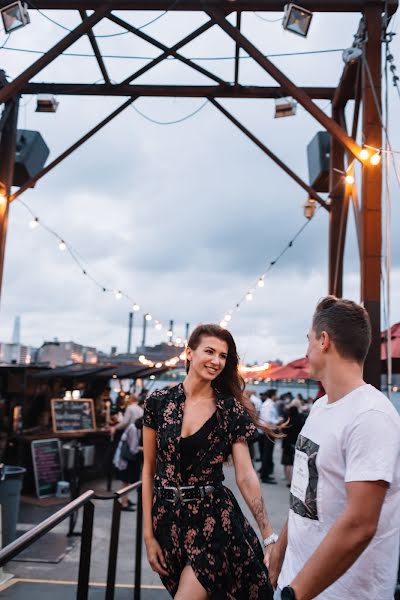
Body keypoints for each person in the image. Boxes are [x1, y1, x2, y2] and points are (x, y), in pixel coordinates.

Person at [269, 296, 400, 600]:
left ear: (324, 341)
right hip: (292, 581)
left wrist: (295, 594)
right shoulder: (319, 408)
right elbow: (304, 496)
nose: (306, 350)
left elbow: (360, 525)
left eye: (309, 340)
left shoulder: (371, 416)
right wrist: (279, 556)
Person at [143, 324, 277, 599]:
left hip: (213, 520)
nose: (216, 361)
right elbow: (148, 470)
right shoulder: (158, 402)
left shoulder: (230, 410)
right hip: (167, 522)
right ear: (189, 353)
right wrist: (148, 535)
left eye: (223, 356)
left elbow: (246, 475)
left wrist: (269, 535)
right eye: (210, 351)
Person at [113, 420, 143, 510]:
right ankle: (124, 503)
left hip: (125, 459)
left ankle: (125, 500)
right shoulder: (134, 429)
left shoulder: (133, 427)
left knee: (125, 481)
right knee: (125, 481)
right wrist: (146, 448)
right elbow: (134, 449)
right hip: (126, 460)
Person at [280, 399, 303, 487]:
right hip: (295, 442)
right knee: (293, 462)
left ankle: (288, 478)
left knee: (287, 462)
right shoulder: (300, 418)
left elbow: (283, 429)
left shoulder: (287, 417)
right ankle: (292, 481)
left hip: (286, 441)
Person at [259, 389, 280, 484]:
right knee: (267, 454)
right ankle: (264, 475)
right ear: (273, 395)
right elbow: (267, 419)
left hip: (268, 430)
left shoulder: (268, 404)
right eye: (276, 394)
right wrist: (277, 421)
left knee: (267, 454)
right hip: (269, 431)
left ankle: (265, 473)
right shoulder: (268, 405)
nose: (277, 396)